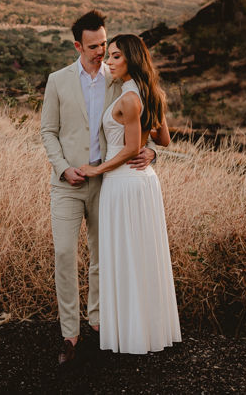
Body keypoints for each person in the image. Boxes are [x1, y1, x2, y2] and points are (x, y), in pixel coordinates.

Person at [40, 11, 158, 365]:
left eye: (104, 44)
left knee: (101, 255)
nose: (101, 51)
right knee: (64, 254)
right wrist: (63, 169)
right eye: (93, 46)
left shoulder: (118, 79)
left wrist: (151, 150)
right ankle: (69, 333)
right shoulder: (57, 80)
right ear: (78, 45)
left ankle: (98, 323)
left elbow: (143, 118)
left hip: (106, 183)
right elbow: (47, 131)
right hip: (67, 183)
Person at [79, 33, 180, 354]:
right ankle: (145, 329)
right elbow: (162, 140)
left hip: (124, 184)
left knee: (126, 254)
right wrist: (149, 151)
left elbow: (132, 147)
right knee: (140, 254)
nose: (108, 61)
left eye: (116, 56)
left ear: (132, 59)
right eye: (108, 56)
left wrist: (96, 169)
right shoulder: (151, 93)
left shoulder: (129, 98)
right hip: (144, 181)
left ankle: (134, 333)